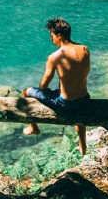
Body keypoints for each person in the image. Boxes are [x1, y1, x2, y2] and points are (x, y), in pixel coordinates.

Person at [22, 17, 91, 155]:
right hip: (84, 99)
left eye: (52, 36)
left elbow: (43, 86)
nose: (51, 39)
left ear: (59, 35)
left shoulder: (55, 57)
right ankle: (83, 146)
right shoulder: (85, 49)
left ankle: (33, 127)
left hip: (65, 104)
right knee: (78, 110)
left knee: (26, 92)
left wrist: (47, 89)